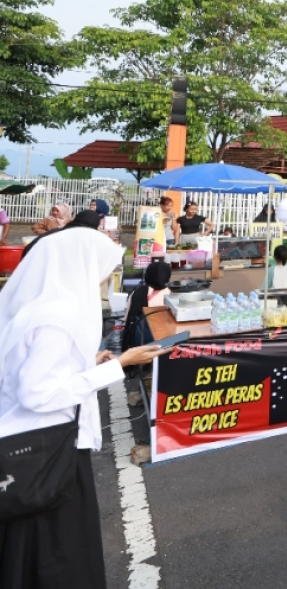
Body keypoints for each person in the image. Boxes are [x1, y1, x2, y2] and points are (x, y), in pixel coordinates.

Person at [0, 227, 165, 588]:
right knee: (57, 554)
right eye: (104, 267)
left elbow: (32, 371)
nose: (105, 277)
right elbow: (37, 393)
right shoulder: (56, 318)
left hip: (29, 449)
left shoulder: (35, 307)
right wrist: (120, 365)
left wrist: (89, 363)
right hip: (47, 451)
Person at [121, 260, 172, 350]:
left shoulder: (136, 292)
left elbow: (126, 318)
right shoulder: (169, 294)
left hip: (136, 342)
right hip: (161, 343)